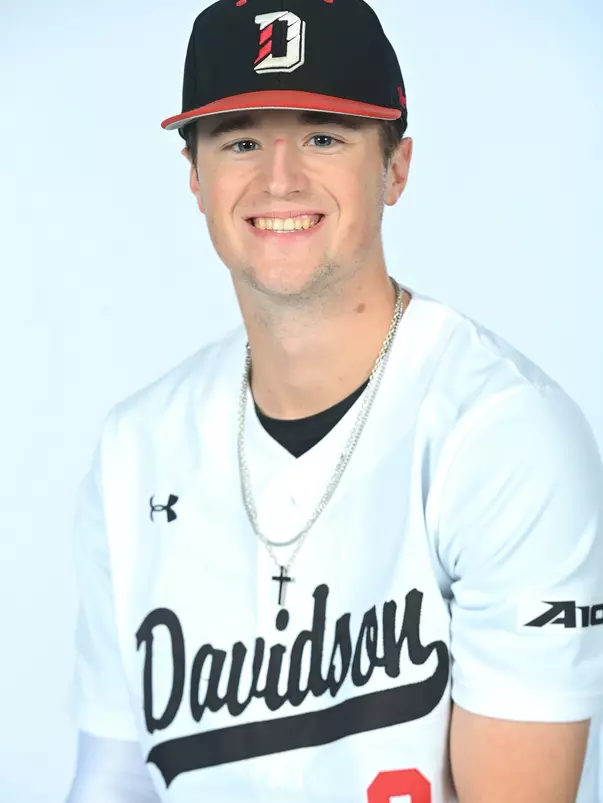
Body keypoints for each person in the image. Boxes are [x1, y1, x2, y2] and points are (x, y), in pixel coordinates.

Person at [64, 0, 603, 801]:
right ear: (196, 179)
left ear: (395, 167)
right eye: (241, 140)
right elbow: (112, 777)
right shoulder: (134, 445)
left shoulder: (503, 434)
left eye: (323, 135)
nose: (279, 178)